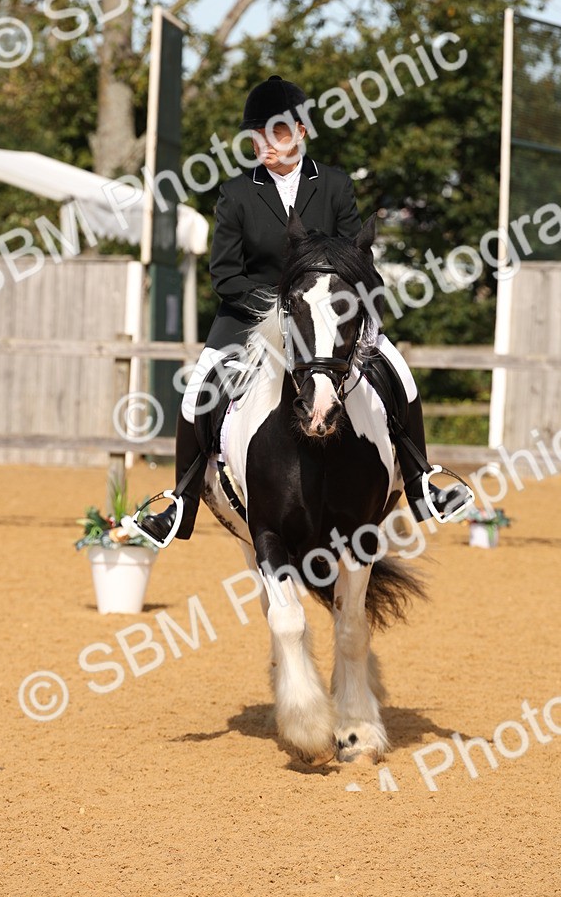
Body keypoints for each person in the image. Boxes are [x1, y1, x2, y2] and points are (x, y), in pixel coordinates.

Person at [136, 74, 471, 547]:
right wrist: (278, 310)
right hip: (252, 318)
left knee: (401, 372)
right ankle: (181, 502)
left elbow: (358, 256)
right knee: (197, 390)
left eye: (275, 133)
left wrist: (330, 300)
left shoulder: (334, 185)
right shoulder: (236, 194)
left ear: (301, 131)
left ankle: (420, 481)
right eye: (256, 135)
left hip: (332, 313)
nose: (264, 145)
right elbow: (225, 275)